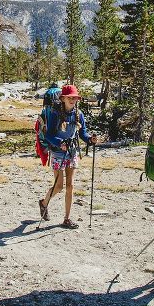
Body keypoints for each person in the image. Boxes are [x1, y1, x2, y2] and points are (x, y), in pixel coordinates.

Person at [38, 84, 97, 229]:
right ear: (63, 98)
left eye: (75, 97)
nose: (73, 100)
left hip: (72, 152)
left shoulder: (78, 114)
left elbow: (82, 133)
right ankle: (44, 202)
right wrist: (60, 143)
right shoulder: (54, 113)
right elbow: (49, 134)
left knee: (70, 185)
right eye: (70, 97)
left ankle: (66, 219)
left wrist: (90, 139)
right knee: (59, 186)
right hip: (58, 152)